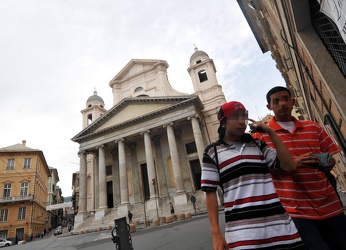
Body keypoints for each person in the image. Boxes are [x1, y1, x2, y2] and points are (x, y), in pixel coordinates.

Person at [201, 101, 304, 250]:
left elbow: (289, 166)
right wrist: (216, 233)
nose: (241, 121)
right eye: (235, 117)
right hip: (242, 237)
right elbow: (210, 192)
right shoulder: (212, 152)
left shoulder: (258, 145)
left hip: (282, 231)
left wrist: (270, 131)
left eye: (244, 117)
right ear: (223, 123)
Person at [253, 86, 346, 250]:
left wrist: (327, 164)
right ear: (269, 107)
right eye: (276, 101)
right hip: (295, 210)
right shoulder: (260, 136)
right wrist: (293, 164)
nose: (282, 103)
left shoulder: (313, 127)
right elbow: (259, 169)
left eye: (285, 98)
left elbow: (331, 157)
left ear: (293, 101)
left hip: (328, 203)